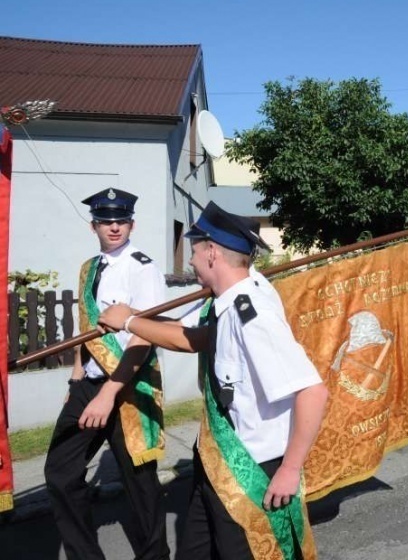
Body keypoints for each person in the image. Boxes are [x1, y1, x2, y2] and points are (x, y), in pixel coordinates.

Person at [99, 201, 329, 559]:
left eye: (193, 252)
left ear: (212, 254)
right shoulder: (228, 298)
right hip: (216, 461)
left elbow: (313, 391)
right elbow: (191, 338)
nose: (189, 261)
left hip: (252, 468)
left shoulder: (251, 314)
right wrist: (129, 321)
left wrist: (290, 469)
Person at [44, 188, 170, 560]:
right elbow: (87, 331)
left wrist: (108, 393)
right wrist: (77, 378)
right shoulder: (89, 268)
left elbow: (144, 338)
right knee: (60, 473)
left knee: (140, 482)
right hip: (90, 384)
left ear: (132, 223)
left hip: (130, 385)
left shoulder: (142, 267)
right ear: (93, 226)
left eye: (121, 220)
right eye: (105, 221)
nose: (114, 227)